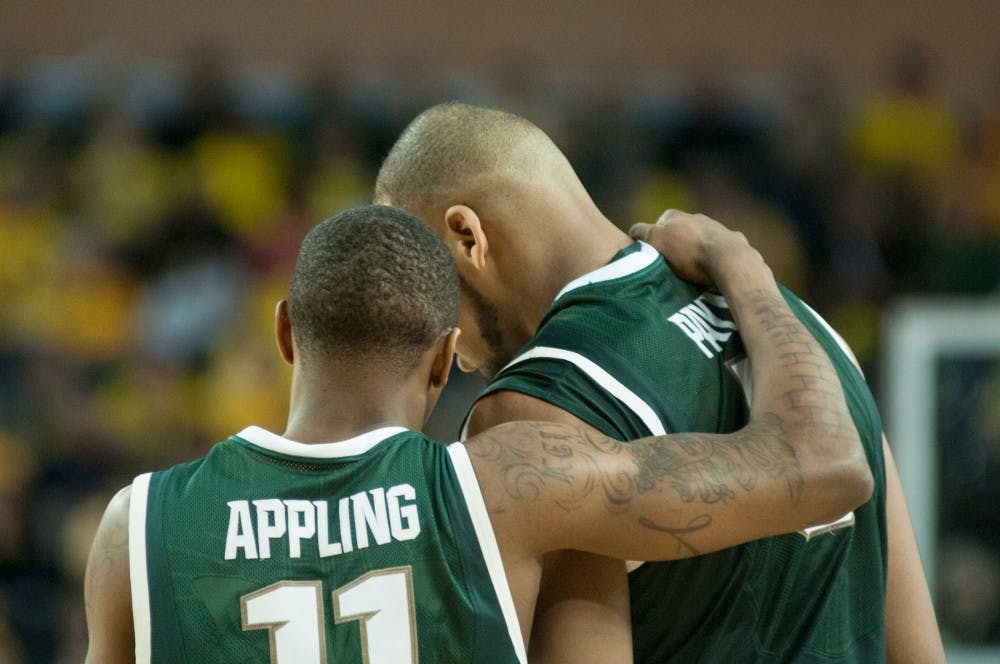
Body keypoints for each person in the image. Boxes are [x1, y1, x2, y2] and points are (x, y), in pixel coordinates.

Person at [84, 204, 872, 663]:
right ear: (442, 360)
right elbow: (828, 463)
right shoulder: (508, 490)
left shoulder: (137, 530)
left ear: (286, 333)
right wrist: (738, 263)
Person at [374, 103, 945, 662]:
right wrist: (743, 267)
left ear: (467, 236)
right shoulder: (805, 334)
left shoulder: (536, 406)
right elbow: (919, 650)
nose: (457, 357)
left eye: (429, 287)